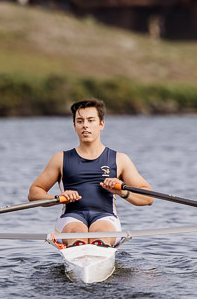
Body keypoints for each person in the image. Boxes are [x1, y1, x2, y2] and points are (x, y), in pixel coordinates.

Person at [28, 98, 152, 247]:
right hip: (70, 217)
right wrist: (57, 198)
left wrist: (121, 191)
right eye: (80, 121)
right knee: (77, 235)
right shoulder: (60, 159)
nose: (85, 125)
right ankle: (79, 248)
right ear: (74, 126)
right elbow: (34, 192)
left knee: (100, 235)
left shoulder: (120, 159)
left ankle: (98, 248)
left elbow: (148, 198)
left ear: (101, 124)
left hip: (106, 217)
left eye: (90, 120)